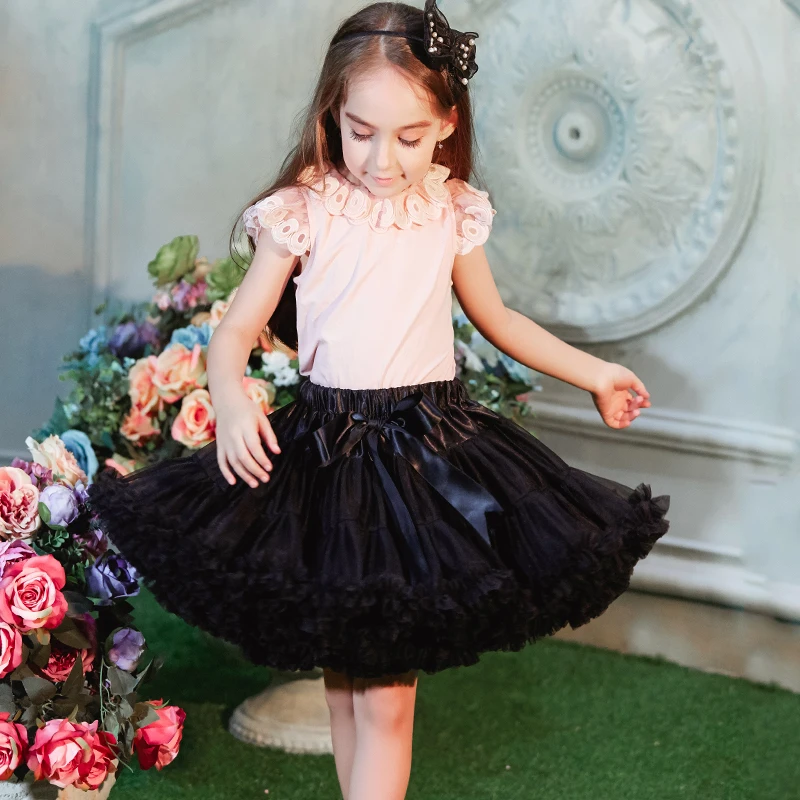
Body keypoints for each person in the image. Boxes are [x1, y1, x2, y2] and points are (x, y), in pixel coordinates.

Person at [89, 1, 671, 798]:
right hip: (326, 455)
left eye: (409, 136)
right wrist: (231, 396)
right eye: (361, 132)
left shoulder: (450, 208)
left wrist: (594, 373)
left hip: (426, 456)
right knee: (346, 684)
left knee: (388, 697)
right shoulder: (304, 210)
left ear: (446, 125)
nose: (383, 159)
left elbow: (499, 320)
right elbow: (235, 334)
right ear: (333, 113)